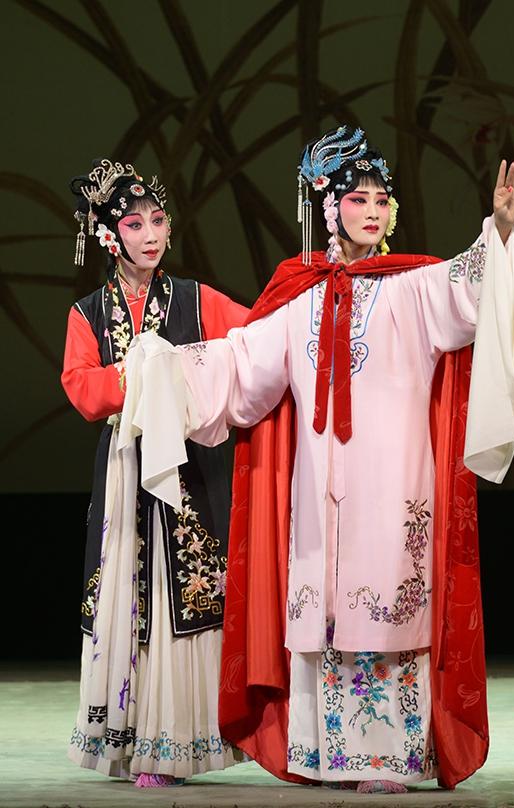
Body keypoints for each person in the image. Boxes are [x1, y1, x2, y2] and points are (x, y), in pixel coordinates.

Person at [124, 126, 514, 792]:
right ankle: (324, 754)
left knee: (387, 597)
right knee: (323, 606)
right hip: (320, 489)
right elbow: (243, 367)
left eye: (381, 200)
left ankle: (389, 759)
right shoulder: (301, 298)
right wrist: (166, 367)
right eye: (357, 200)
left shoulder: (411, 288)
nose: (372, 212)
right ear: (329, 209)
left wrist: (500, 230)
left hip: (394, 479)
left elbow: (470, 287)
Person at [61, 159, 247, 787]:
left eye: (158, 221)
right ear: (109, 236)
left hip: (191, 466)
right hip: (124, 466)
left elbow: (253, 338)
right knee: (124, 590)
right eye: (134, 224)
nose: (150, 235)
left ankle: (177, 741)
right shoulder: (89, 312)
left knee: (184, 596)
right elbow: (81, 387)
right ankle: (126, 738)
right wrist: (140, 374)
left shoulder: (197, 299)